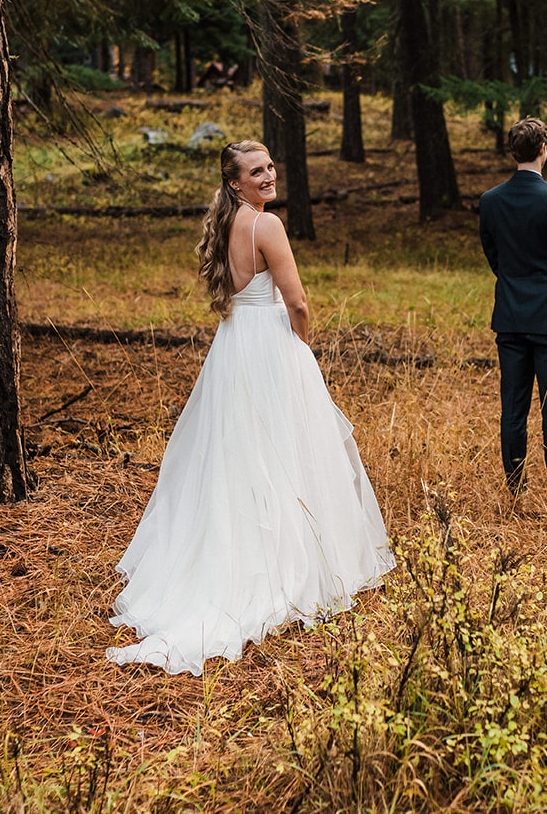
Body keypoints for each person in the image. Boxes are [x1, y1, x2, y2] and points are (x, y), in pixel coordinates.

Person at [106, 140, 395, 675]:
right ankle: (287, 565)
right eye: (256, 171)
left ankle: (241, 547)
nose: (269, 175)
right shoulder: (268, 226)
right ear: (236, 181)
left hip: (235, 346)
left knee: (240, 454)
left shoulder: (228, 220)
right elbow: (298, 301)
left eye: (270, 165)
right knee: (285, 449)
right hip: (269, 345)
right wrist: (301, 346)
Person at [477, 117, 547, 516]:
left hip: (510, 317)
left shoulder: (491, 201)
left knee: (513, 407)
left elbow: (494, 255)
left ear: (514, 152)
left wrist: (514, 286)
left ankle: (516, 491)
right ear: (544, 149)